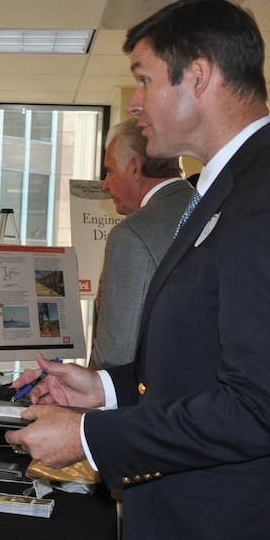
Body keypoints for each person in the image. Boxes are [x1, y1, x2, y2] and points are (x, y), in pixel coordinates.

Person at [4, 0, 270, 540]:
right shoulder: (228, 192)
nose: (134, 103)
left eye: (143, 79)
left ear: (197, 75)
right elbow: (212, 359)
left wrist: (91, 435)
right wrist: (105, 389)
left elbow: (260, 407)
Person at [89, 118, 195, 370]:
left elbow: (116, 356)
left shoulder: (132, 235)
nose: (105, 184)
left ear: (135, 168)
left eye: (110, 170)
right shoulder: (209, 207)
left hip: (145, 401)